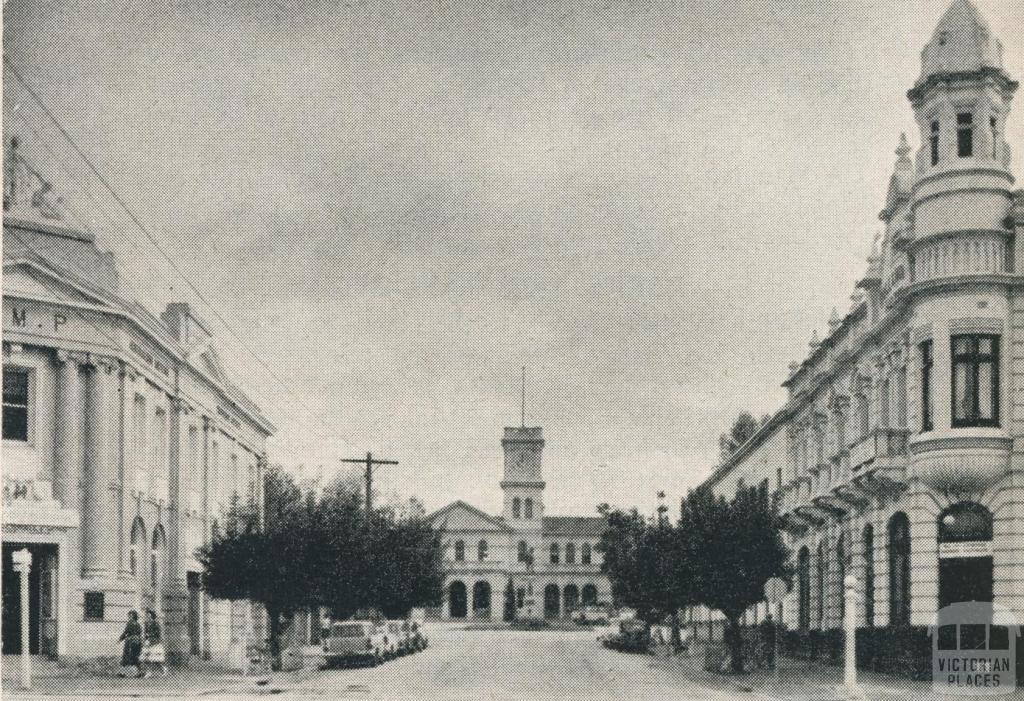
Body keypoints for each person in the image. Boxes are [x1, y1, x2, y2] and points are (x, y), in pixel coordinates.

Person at [140, 610, 168, 677]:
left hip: (155, 642)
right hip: (148, 642)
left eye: (149, 615)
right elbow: (145, 633)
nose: (147, 617)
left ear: (152, 616)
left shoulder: (156, 623)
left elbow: (158, 633)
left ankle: (164, 670)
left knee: (156, 659)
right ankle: (148, 672)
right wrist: (145, 639)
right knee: (147, 658)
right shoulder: (146, 623)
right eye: (147, 615)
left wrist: (150, 635)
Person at [118, 611, 143, 678]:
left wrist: (120, 639)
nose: (128, 616)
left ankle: (122, 673)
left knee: (126, 656)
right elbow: (140, 633)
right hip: (137, 641)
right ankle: (140, 672)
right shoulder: (138, 624)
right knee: (135, 657)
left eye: (130, 615)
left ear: (132, 616)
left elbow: (125, 632)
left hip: (130, 642)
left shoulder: (129, 623)